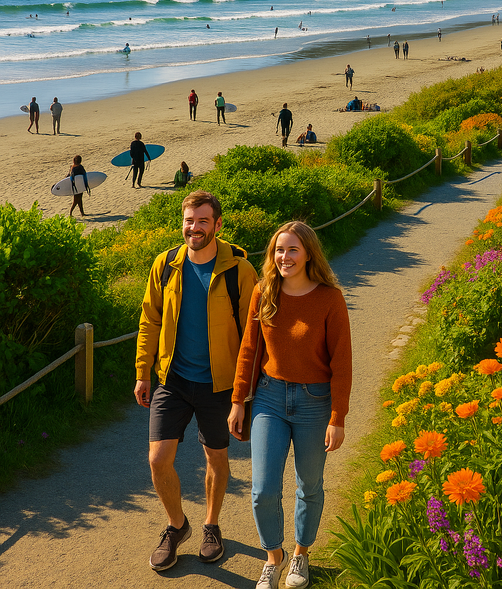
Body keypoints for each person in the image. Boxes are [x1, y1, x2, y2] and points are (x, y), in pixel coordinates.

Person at [135, 191, 258, 572]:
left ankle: (211, 526)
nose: (195, 228)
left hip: (219, 384)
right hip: (172, 379)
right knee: (158, 459)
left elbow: (253, 333)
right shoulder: (165, 264)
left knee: (216, 457)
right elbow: (150, 319)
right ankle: (177, 526)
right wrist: (142, 372)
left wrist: (245, 392)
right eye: (189, 220)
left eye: (203, 221)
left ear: (217, 224)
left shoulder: (240, 270)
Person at [228, 221, 351, 589]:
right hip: (269, 397)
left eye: (293, 249)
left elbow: (342, 363)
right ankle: (274, 557)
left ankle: (300, 554)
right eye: (279, 250)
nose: (285, 257)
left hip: (316, 402)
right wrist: (238, 401)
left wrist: (338, 417)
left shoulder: (330, 299)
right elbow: (249, 349)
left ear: (308, 253)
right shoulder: (264, 292)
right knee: (263, 489)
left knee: (309, 485)